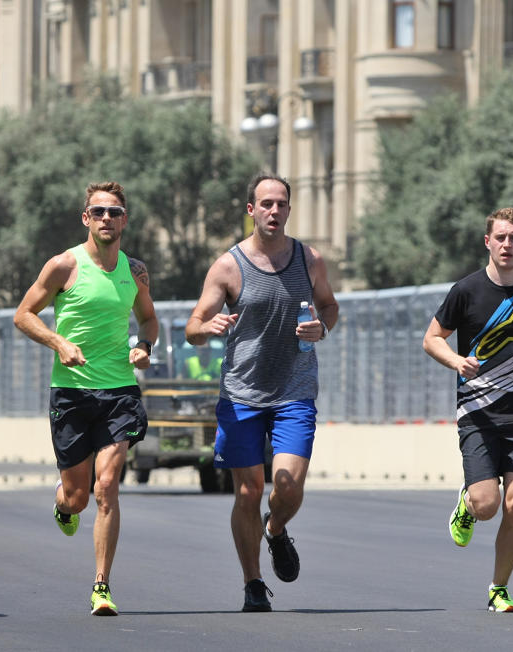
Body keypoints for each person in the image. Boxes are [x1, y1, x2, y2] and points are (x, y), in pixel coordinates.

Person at [185, 173, 338, 612]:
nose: (274, 211)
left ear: (289, 209)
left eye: (281, 204)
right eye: (266, 204)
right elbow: (194, 325)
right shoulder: (228, 267)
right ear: (250, 210)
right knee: (248, 492)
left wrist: (322, 326)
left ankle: (275, 530)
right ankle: (253, 582)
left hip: (294, 389)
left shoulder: (309, 260)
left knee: (287, 487)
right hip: (242, 394)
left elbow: (330, 305)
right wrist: (206, 328)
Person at [13, 181, 158, 616]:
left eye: (115, 212)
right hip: (72, 393)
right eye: (99, 212)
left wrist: (145, 347)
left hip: (119, 391)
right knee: (78, 497)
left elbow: (149, 319)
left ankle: (101, 586)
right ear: (86, 218)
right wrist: (59, 343)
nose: (107, 219)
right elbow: (23, 315)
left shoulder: (135, 272)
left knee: (107, 486)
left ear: (125, 219)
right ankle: (63, 500)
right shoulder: (63, 266)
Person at [422, 207, 513, 613]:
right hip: (478, 412)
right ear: (488, 241)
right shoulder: (466, 291)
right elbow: (432, 338)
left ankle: (498, 589)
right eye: (500, 237)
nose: (507, 244)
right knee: (488, 505)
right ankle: (468, 504)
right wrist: (455, 361)